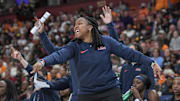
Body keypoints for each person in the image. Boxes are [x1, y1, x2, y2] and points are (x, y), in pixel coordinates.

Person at [32, 6, 161, 101]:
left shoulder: (106, 42)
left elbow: (131, 54)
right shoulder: (74, 46)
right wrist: (43, 60)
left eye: (80, 23)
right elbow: (58, 54)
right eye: (74, 25)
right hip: (85, 95)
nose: (75, 26)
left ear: (90, 27)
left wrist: (151, 62)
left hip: (110, 92)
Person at [37, 6, 119, 101]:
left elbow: (116, 44)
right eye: (76, 26)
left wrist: (110, 25)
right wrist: (42, 33)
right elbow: (53, 51)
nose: (76, 28)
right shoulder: (73, 48)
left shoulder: (100, 45)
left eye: (80, 25)